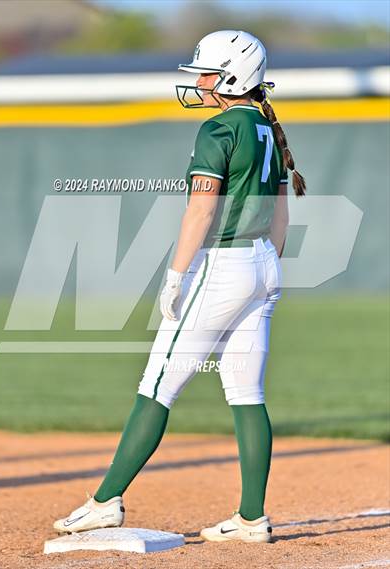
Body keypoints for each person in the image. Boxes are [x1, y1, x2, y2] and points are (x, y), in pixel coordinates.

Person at [53, 30, 306, 543]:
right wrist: (263, 269)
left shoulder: (220, 128)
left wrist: (175, 275)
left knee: (157, 384)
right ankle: (251, 518)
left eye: (207, 73)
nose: (200, 82)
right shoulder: (266, 126)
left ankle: (105, 502)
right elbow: (281, 213)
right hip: (263, 263)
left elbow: (201, 210)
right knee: (246, 392)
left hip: (224, 263)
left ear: (231, 76)